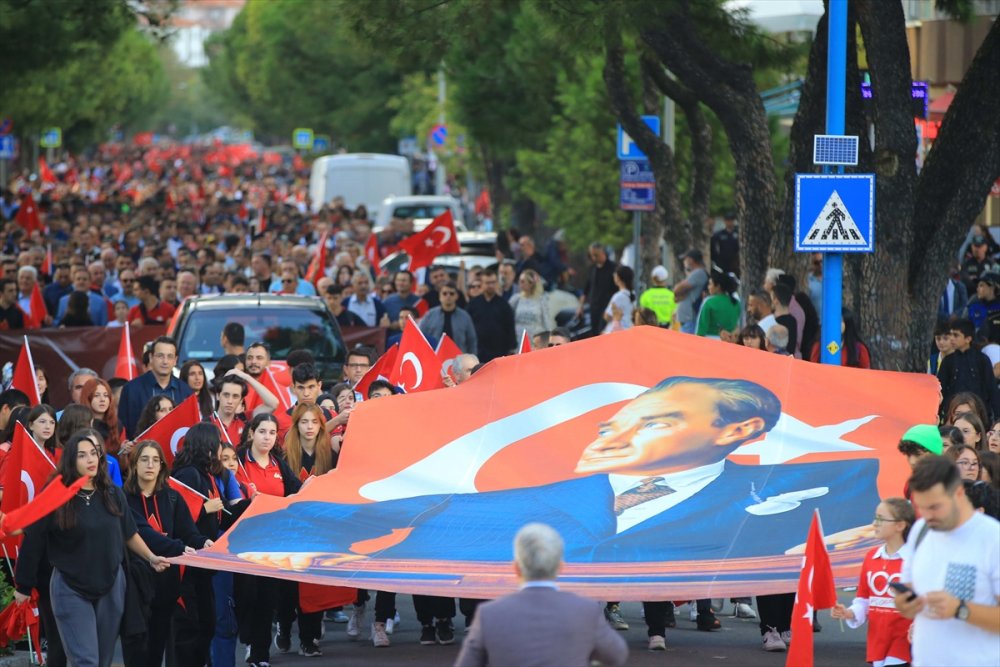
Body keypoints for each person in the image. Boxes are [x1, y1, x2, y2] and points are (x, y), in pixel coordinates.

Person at [226, 376, 880, 565]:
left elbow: (891, 510)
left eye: (652, 421)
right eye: (616, 418)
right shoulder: (505, 498)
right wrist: (275, 541)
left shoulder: (820, 490)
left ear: (736, 431)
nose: (612, 431)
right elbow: (351, 515)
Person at [13, 432, 169, 667]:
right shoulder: (56, 496)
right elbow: (33, 538)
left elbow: (129, 533)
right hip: (70, 588)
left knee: (102, 661)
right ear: (71, 461)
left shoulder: (113, 493)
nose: (90, 459)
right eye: (82, 455)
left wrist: (151, 557)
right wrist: (23, 585)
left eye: (94, 454)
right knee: (86, 661)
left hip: (111, 586)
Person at [454, 523, 628, 667]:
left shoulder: (489, 614)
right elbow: (616, 656)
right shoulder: (586, 609)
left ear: (516, 568)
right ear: (560, 567)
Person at [893, 456, 1000, 667]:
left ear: (958, 494)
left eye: (934, 507)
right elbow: (910, 590)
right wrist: (905, 605)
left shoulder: (992, 538)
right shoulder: (921, 530)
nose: (927, 515)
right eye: (921, 507)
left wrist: (960, 609)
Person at [121, 440, 212, 667]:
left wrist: (206, 543)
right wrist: (178, 547)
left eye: (155, 460)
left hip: (168, 585)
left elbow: (189, 534)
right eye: (144, 459)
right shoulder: (123, 498)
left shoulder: (172, 498)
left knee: (158, 648)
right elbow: (141, 532)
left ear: (162, 465)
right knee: (137, 651)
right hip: (137, 584)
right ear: (134, 464)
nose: (150, 465)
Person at [234, 414, 302, 667]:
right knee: (247, 595)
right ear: (252, 432)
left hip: (273, 541)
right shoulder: (238, 461)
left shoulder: (278, 463)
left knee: (267, 597)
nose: (267, 437)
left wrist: (314, 485)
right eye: (262, 431)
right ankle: (249, 638)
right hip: (243, 541)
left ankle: (260, 653)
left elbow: (297, 490)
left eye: (272, 433)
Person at [831, 497, 915, 667]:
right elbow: (864, 599)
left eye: (881, 519)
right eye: (875, 517)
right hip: (877, 641)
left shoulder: (916, 559)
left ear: (900, 525)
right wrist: (849, 613)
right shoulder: (871, 557)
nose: (874, 523)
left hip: (905, 642)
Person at [118, 336, 193, 438]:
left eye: (170, 356)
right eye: (160, 356)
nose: (165, 361)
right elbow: (124, 429)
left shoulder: (186, 391)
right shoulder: (131, 390)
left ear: (175, 360)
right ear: (151, 357)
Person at [937, 319, 998, 422]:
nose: (951, 339)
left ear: (968, 339)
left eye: (956, 335)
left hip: (979, 415)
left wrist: (997, 417)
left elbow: (991, 388)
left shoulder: (981, 359)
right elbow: (940, 389)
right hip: (953, 414)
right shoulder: (948, 361)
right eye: (950, 335)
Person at [465, 267, 516, 362]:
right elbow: (467, 327)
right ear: (482, 284)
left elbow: (510, 328)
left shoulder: (504, 305)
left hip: (500, 353)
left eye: (493, 282)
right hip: (477, 353)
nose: (491, 285)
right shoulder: (473, 304)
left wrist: (511, 349)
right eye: (487, 283)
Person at [420, 281, 478, 354]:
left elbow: (472, 341)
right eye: (444, 293)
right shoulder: (429, 315)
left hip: (459, 360)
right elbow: (421, 337)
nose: (448, 296)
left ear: (456, 296)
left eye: (451, 293)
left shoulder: (465, 316)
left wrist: (472, 360)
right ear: (440, 296)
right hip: (435, 358)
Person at [580, 243, 617, 338]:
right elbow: (586, 289)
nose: (593, 258)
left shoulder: (613, 268)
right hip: (594, 306)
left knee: (604, 333)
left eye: (596, 255)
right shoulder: (592, 269)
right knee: (594, 333)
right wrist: (580, 306)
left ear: (603, 253)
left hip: (607, 308)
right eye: (591, 255)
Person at [509, 269, 553, 339]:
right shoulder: (516, 299)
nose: (520, 283)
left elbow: (546, 321)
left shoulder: (541, 300)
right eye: (520, 281)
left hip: (535, 338)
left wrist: (549, 337)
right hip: (518, 337)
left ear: (531, 283)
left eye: (523, 281)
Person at [672, 249, 709, 334]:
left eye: (685, 259)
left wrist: (679, 289)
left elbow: (677, 290)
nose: (684, 262)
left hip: (690, 320)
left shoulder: (698, 273)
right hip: (687, 320)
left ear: (691, 260)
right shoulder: (695, 273)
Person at [696, 269, 740, 339]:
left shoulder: (709, 302)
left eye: (710, 284)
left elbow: (701, 328)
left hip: (710, 341)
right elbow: (738, 325)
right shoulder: (736, 302)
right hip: (730, 341)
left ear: (718, 286)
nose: (708, 287)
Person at [602, 265, 635, 334]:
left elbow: (607, 316)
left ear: (619, 278)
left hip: (616, 331)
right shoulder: (633, 294)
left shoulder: (618, 296)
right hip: (629, 329)